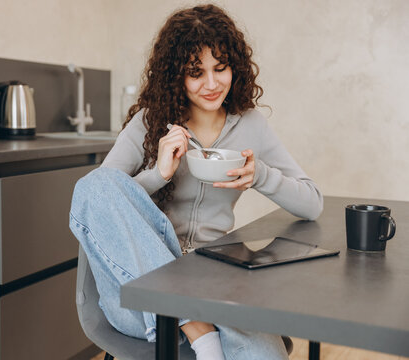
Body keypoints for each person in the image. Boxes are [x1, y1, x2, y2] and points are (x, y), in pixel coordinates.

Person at [70, 4, 323, 360]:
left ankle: (202, 327)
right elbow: (96, 198)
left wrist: (260, 175)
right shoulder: (148, 122)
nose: (211, 84)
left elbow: (312, 203)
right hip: (143, 293)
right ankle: (197, 328)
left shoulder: (250, 124)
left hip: (215, 278)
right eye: (195, 72)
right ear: (175, 75)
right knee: (93, 184)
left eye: (220, 69)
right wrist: (158, 174)